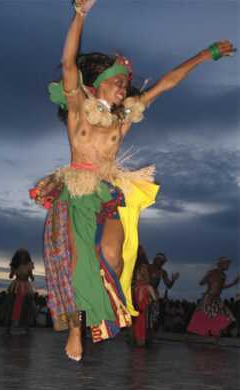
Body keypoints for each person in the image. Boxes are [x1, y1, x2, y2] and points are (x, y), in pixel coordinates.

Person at [29, 0, 235, 361]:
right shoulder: (80, 106)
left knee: (115, 255)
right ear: (97, 87)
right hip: (78, 190)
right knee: (81, 263)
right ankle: (77, 330)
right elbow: (68, 63)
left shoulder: (124, 117)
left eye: (126, 83)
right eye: (117, 83)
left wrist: (205, 55)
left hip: (108, 190)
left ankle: (104, 308)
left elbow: (167, 84)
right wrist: (80, 13)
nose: (124, 88)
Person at [187, 256, 240, 337]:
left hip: (217, 299)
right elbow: (201, 282)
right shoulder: (212, 272)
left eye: (229, 264)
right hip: (209, 297)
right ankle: (197, 336)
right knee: (204, 318)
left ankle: (214, 336)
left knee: (226, 317)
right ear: (221, 264)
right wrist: (208, 277)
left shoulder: (223, 275)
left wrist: (234, 283)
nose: (228, 266)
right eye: (227, 264)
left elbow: (222, 287)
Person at [0, 249, 35, 334]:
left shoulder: (29, 265)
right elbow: (11, 276)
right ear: (18, 256)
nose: (22, 256)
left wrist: (31, 276)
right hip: (16, 286)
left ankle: (26, 326)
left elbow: (31, 276)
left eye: (24, 254)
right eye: (21, 254)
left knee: (26, 306)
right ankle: (8, 325)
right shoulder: (15, 265)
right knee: (11, 305)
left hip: (26, 286)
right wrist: (12, 271)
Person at [148, 253, 180, 330]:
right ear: (156, 260)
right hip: (143, 292)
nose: (162, 263)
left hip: (154, 294)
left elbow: (168, 285)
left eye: (163, 262)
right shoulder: (147, 267)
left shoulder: (162, 272)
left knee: (153, 315)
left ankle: (150, 331)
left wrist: (173, 280)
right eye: (161, 261)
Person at [132, 263, 156, 346]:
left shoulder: (137, 287)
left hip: (140, 313)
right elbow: (155, 300)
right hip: (140, 313)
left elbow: (154, 300)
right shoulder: (144, 287)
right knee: (139, 337)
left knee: (139, 336)